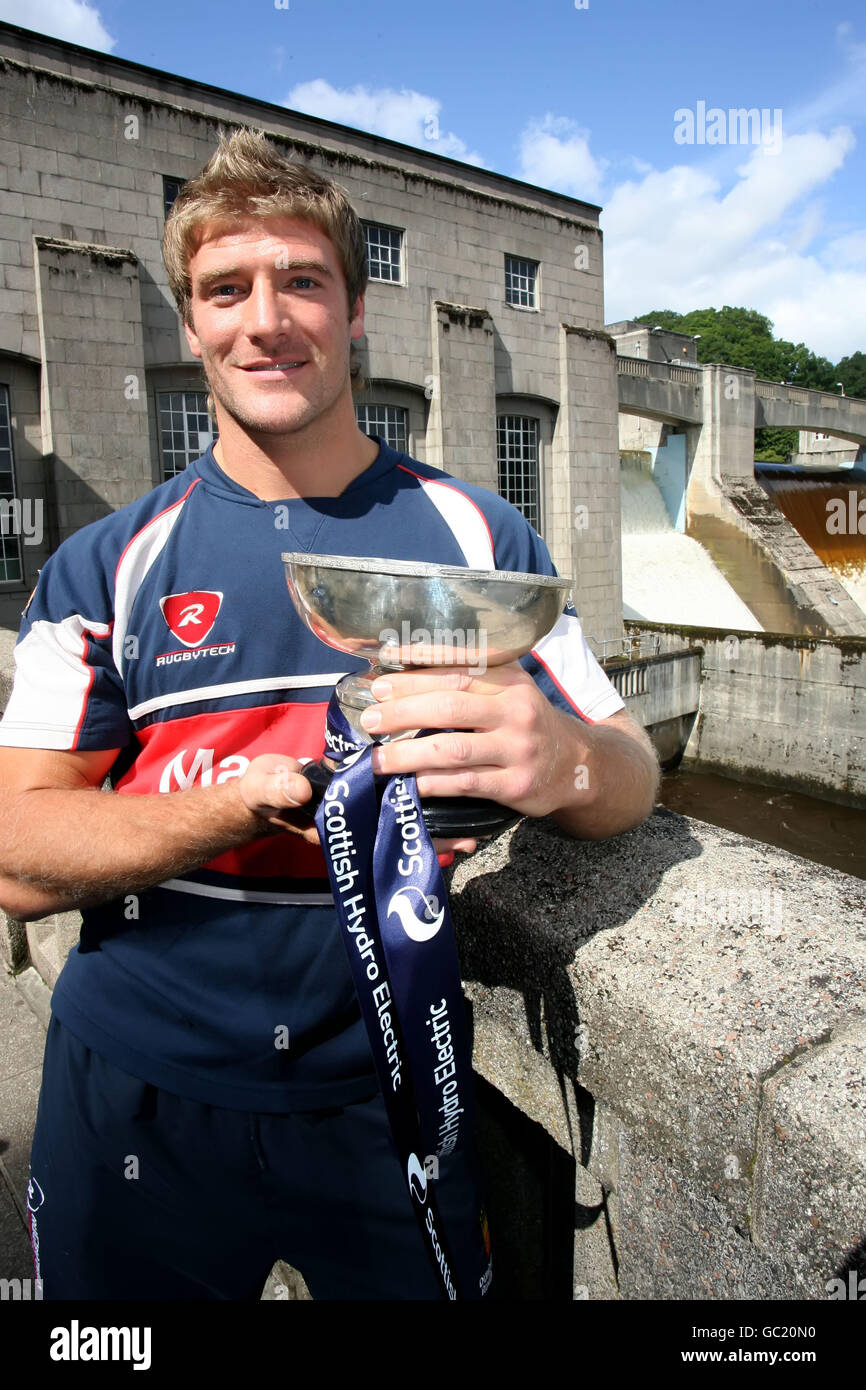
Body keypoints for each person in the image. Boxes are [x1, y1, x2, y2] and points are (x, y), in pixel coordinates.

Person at [0, 128, 659, 1301]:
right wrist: (233, 806)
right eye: (224, 289)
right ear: (192, 321)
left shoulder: (481, 541)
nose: (266, 319)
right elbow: (17, 853)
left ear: (355, 314)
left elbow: (630, 772)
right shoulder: (103, 566)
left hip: (392, 1089)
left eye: (303, 280)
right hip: (134, 1095)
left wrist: (559, 760)